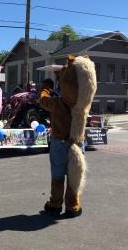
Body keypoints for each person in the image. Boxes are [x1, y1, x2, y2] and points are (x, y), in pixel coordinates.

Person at [39, 56, 97, 218]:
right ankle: (73, 206)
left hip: (59, 143)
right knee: (74, 175)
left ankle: (55, 204)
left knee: (58, 175)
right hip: (77, 144)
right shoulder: (84, 106)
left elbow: (43, 101)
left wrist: (45, 88)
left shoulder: (58, 103)